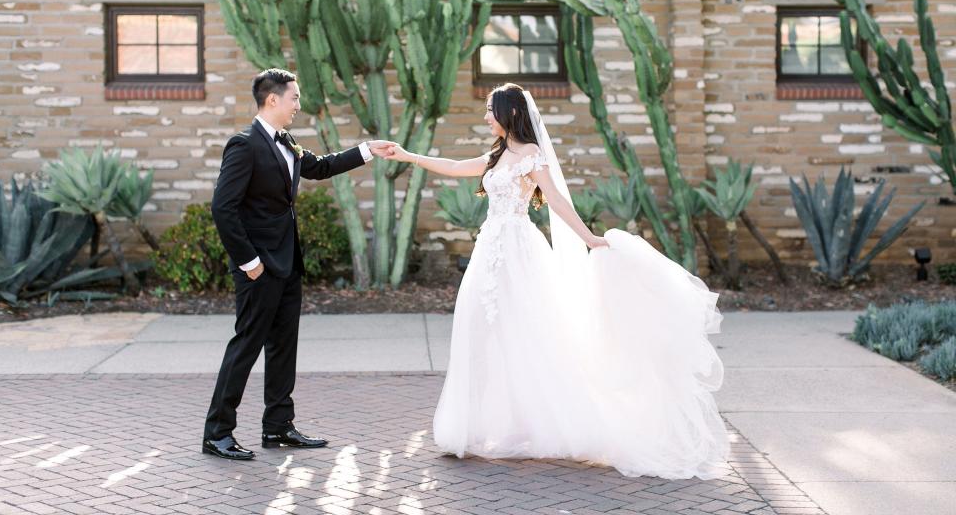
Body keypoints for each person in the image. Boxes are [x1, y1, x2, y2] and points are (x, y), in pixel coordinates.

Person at [383, 83, 729, 479]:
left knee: (529, 333)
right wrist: (409, 156)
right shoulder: (497, 155)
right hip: (490, 251)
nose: (485, 117)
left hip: (517, 250)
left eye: (490, 110)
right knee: (478, 329)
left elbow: (557, 201)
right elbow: (456, 167)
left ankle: (552, 422)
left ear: (510, 114)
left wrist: (590, 239)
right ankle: (483, 424)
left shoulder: (531, 156)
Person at [202, 68, 395, 461]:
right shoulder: (244, 145)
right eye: (294, 98)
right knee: (245, 347)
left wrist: (365, 150)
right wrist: (248, 261)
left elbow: (319, 167)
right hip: (259, 267)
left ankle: (278, 428)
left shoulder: (285, 141)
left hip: (288, 264)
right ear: (272, 99)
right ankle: (217, 432)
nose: (298, 105)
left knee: (283, 347)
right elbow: (223, 208)